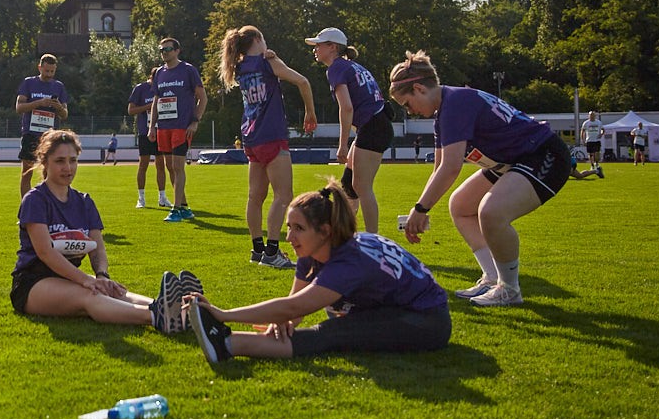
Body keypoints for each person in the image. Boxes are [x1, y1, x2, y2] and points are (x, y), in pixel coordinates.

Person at [189, 183, 450, 365]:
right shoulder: (315, 249)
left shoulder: (349, 262)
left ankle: (227, 344)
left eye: (298, 228)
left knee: (333, 332)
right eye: (289, 227)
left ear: (325, 231)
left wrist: (224, 315)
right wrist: (284, 321)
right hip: (394, 306)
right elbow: (293, 308)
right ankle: (224, 340)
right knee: (337, 320)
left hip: (426, 320)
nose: (289, 237)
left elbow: (293, 306)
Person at [392, 51, 570, 308]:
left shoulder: (454, 104)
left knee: (491, 212)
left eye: (407, 104)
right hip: (514, 158)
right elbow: (439, 168)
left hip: (543, 153)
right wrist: (419, 208)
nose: (411, 112)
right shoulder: (445, 110)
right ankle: (493, 277)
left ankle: (509, 289)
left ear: (419, 88)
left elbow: (451, 168)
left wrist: (421, 209)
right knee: (461, 205)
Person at [12, 129, 196, 332]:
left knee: (113, 292)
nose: (68, 168)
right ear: (45, 162)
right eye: (60, 161)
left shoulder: (84, 202)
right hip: (33, 283)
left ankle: (182, 310)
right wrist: (85, 280)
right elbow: (45, 252)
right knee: (90, 296)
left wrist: (101, 276)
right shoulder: (35, 200)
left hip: (68, 277)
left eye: (73, 160)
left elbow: (97, 248)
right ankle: (158, 316)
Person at [220, 26, 314, 269]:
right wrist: (310, 112)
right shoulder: (267, 63)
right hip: (271, 134)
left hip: (251, 136)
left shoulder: (240, 67)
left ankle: (258, 249)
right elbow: (303, 81)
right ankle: (272, 252)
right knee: (283, 195)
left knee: (255, 197)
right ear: (258, 39)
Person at [307, 27, 390, 234]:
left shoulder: (336, 68)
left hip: (373, 127)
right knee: (348, 184)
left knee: (362, 187)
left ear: (332, 47)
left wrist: (343, 144)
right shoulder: (350, 66)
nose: (315, 49)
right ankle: (344, 234)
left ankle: (372, 239)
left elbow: (346, 108)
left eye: (318, 45)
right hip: (376, 124)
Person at [150, 37, 206, 222]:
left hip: (181, 127)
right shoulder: (159, 73)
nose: (164, 53)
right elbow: (156, 101)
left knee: (177, 166)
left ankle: (175, 209)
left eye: (168, 49)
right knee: (170, 167)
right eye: (162, 50)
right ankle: (184, 207)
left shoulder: (188, 70)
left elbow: (203, 98)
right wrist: (152, 126)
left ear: (177, 51)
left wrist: (195, 121)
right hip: (163, 127)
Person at [15, 54, 68, 197]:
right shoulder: (29, 83)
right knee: (27, 172)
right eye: (46, 71)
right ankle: (26, 206)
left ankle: (47, 205)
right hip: (31, 133)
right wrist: (39, 103)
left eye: (52, 71)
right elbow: (19, 108)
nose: (49, 74)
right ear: (40, 68)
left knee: (49, 173)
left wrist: (58, 107)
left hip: (49, 136)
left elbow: (64, 114)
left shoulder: (58, 86)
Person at [127, 73, 168, 208]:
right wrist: (150, 106)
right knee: (143, 165)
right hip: (145, 132)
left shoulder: (164, 87)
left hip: (160, 130)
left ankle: (162, 197)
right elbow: (131, 110)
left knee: (161, 165)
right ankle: (141, 198)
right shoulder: (140, 88)